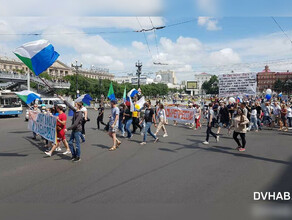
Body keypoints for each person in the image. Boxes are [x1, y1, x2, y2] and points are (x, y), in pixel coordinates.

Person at [59, 96, 83, 162]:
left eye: (76, 104)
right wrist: (62, 99)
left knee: (77, 145)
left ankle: (78, 157)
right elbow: (69, 105)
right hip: (74, 130)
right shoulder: (75, 111)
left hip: (77, 130)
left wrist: (68, 129)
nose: (74, 105)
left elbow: (75, 124)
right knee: (70, 143)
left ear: (78, 106)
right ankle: (74, 155)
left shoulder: (80, 114)